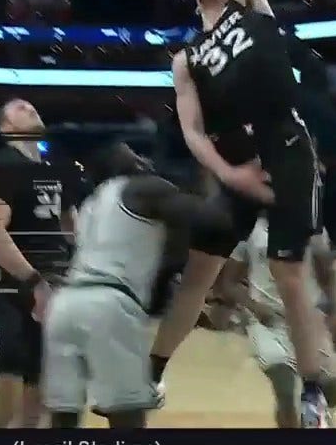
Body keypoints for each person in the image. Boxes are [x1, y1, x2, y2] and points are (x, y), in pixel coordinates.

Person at [148, 0, 331, 427]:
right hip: (233, 165)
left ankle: (314, 392)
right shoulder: (187, 58)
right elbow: (194, 133)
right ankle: (149, 374)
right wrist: (229, 176)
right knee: (198, 275)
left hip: (285, 147)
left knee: (288, 274)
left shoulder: (251, 0)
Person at [44, 142, 230, 428]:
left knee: (64, 419)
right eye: (131, 153)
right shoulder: (144, 188)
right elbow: (209, 219)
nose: (140, 156)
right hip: (108, 303)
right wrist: (219, 184)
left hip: (65, 305)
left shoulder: (94, 203)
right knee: (128, 419)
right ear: (123, 166)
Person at [0, 98, 81, 427]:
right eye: (20, 108)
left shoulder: (53, 170)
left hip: (48, 287)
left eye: (34, 106)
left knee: (37, 403)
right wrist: (34, 282)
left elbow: (71, 228)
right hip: (3, 289)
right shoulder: (2, 165)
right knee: (4, 404)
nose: (31, 108)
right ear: (5, 127)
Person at [220, 218, 336, 427]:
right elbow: (228, 283)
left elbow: (328, 275)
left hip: (308, 320)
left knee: (333, 392)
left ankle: (322, 414)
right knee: (285, 391)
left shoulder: (313, 228)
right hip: (268, 321)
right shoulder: (249, 230)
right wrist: (254, 306)